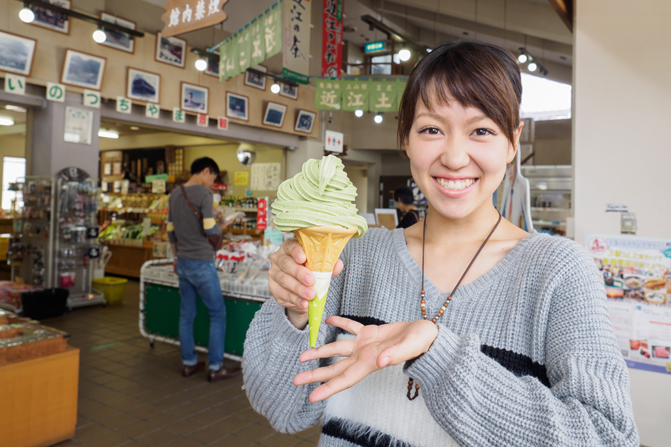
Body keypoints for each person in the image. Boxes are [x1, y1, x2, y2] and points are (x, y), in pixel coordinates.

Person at [243, 41, 639, 446]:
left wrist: (438, 355)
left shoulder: (558, 272)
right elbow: (281, 409)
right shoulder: (355, 256)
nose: (453, 156)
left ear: (512, 141)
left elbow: (608, 438)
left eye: (481, 130)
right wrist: (293, 312)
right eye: (431, 129)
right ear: (407, 138)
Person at [168, 157, 240, 382]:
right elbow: (210, 228)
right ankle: (216, 366)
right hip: (202, 261)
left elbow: (170, 230)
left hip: (183, 261)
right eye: (213, 178)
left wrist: (176, 256)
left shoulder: (175, 193)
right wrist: (225, 225)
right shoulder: (204, 194)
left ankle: (189, 363)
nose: (212, 183)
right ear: (206, 171)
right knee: (217, 312)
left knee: (186, 313)